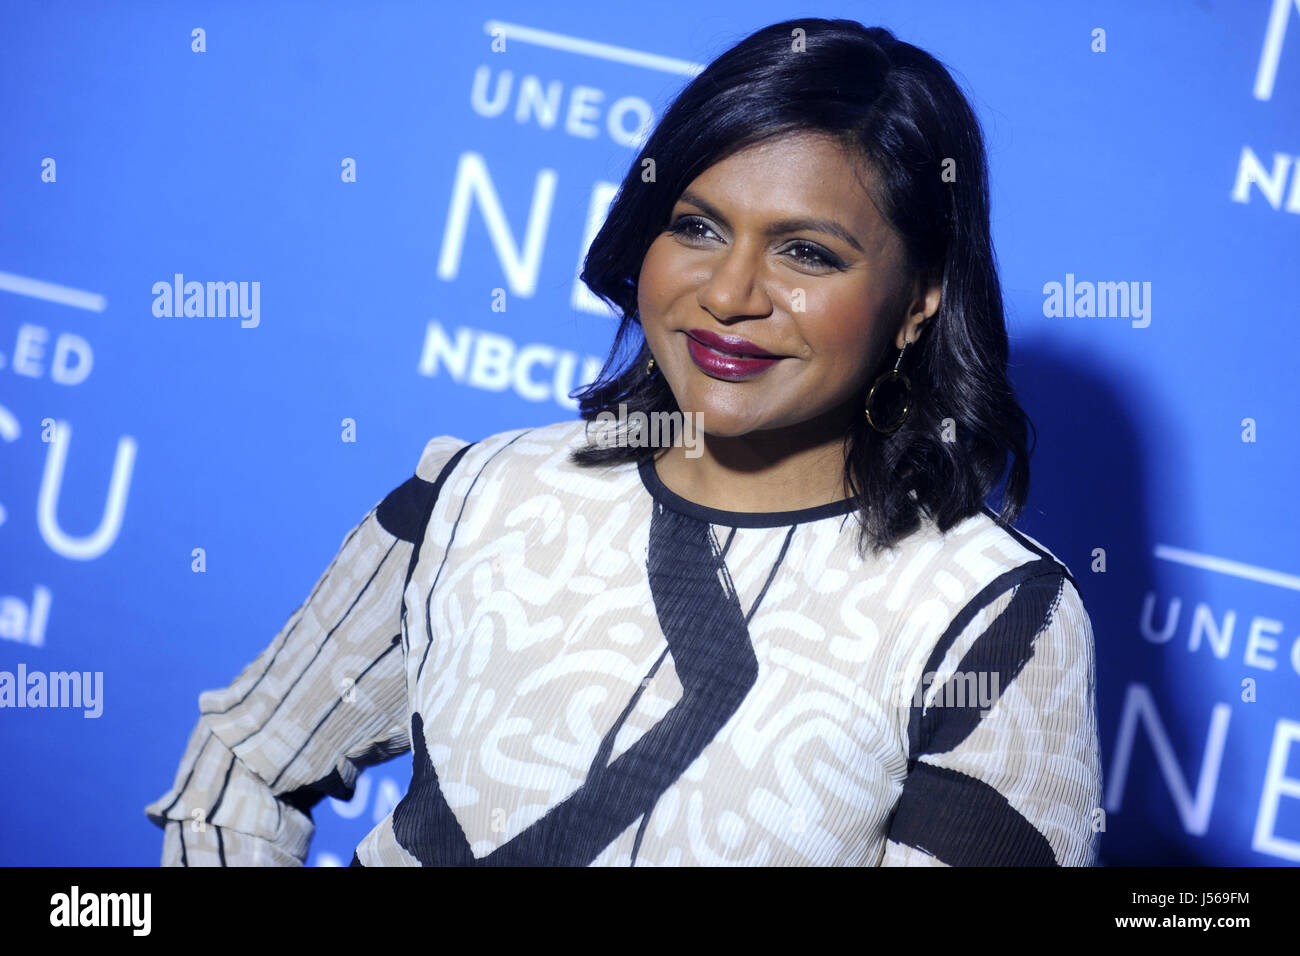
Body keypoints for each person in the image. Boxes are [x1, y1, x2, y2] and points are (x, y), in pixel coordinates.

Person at [145, 17, 1102, 866]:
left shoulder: (990, 615)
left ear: (919, 302)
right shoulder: (477, 494)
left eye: (807, 252)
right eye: (696, 227)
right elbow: (244, 765)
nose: (729, 296)